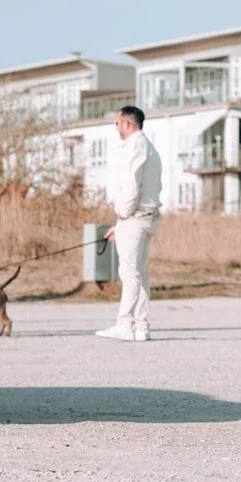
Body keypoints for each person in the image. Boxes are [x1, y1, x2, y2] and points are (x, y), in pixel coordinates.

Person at [96, 105, 162, 342]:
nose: (116, 128)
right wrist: (119, 223)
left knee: (129, 272)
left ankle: (125, 324)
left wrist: (122, 216)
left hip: (134, 218)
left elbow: (131, 186)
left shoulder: (133, 147)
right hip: (147, 218)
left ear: (126, 124)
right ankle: (142, 326)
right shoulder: (150, 148)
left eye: (117, 123)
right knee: (140, 272)